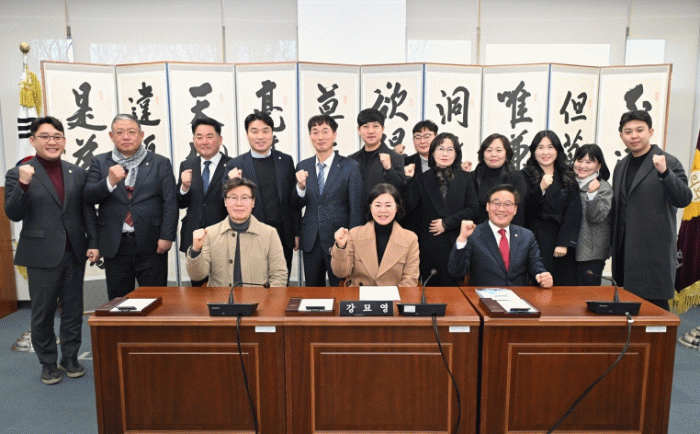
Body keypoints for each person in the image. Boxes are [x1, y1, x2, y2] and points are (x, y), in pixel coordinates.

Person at [4, 116, 99, 384]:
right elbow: (13, 213)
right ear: (33, 140)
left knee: (73, 310)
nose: (52, 141)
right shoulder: (19, 172)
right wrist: (23, 184)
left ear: (64, 141)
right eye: (45, 136)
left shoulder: (76, 172)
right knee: (43, 313)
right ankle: (47, 363)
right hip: (41, 254)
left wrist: (93, 242)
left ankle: (70, 358)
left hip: (74, 253)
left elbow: (86, 211)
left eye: (57, 136)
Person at [84, 114, 178, 300]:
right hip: (115, 244)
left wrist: (167, 236)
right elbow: (88, 196)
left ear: (141, 135)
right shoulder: (100, 162)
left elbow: (170, 202)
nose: (125, 137)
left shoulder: (160, 163)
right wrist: (109, 182)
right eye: (119, 132)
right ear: (111, 136)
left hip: (152, 243)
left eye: (131, 132)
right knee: (119, 301)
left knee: (154, 299)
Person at [611, 110, 692, 310]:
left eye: (639, 130)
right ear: (621, 136)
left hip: (653, 255)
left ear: (651, 132)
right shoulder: (621, 166)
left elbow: (684, 198)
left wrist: (665, 173)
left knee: (655, 315)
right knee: (625, 314)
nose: (634, 136)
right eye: (628, 131)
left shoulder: (668, 162)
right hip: (624, 255)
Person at [223, 112, 299, 277]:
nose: (260, 136)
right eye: (254, 131)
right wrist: (232, 183)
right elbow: (224, 202)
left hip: (282, 234)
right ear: (247, 134)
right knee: (251, 282)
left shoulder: (286, 161)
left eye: (265, 131)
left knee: (281, 280)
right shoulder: (235, 164)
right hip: (248, 233)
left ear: (272, 133)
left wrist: (296, 232)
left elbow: (292, 200)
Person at [293, 115, 364, 286]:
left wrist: (351, 241)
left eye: (325, 131)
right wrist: (300, 187)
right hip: (311, 239)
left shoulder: (350, 166)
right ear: (310, 136)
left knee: (340, 289)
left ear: (334, 135)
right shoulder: (303, 166)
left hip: (339, 240)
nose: (320, 137)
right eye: (315, 132)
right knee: (312, 291)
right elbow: (296, 204)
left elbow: (356, 208)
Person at [403, 132, 479, 286]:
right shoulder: (421, 178)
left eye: (450, 149)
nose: (445, 154)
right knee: (431, 290)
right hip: (430, 246)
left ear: (456, 154)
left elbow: (473, 209)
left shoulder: (465, 177)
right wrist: (408, 180)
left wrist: (447, 223)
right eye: (440, 149)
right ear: (432, 153)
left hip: (456, 241)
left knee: (455, 291)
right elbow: (409, 209)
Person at [186, 177, 288, 287]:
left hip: (258, 297)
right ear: (225, 201)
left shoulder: (269, 233)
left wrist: (267, 297)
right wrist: (196, 250)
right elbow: (197, 276)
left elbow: (279, 275)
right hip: (220, 297)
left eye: (245, 198)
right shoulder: (209, 233)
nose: (239, 203)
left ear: (253, 202)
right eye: (233, 198)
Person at [447, 184, 553, 288]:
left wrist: (542, 275)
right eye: (496, 203)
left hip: (519, 296)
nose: (501, 209)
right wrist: (462, 238)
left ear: (515, 209)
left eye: (508, 204)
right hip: (484, 296)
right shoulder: (472, 234)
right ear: (487, 206)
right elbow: (456, 272)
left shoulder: (526, 236)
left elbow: (536, 266)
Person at [522, 130, 581, 286]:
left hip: (561, 240)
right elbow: (524, 209)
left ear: (557, 150)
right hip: (535, 238)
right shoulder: (524, 175)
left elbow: (574, 212)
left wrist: (564, 242)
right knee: (537, 283)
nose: (545, 152)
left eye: (550, 147)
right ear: (533, 151)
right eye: (540, 147)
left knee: (562, 287)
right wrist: (540, 189)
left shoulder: (568, 175)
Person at [177, 117, 232, 286]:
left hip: (224, 236)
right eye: (199, 137)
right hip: (194, 237)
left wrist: (234, 184)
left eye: (209, 136)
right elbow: (181, 203)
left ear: (220, 139)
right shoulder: (187, 164)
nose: (204, 142)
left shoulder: (232, 164)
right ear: (194, 140)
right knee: (198, 286)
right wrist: (184, 187)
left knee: (225, 286)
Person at [331, 183, 419, 287]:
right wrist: (341, 247)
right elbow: (340, 273)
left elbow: (410, 279)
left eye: (388, 205)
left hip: (394, 295)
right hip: (359, 294)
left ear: (396, 208)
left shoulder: (410, 239)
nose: (383, 210)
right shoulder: (354, 234)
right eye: (377, 205)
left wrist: (392, 297)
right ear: (370, 207)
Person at [572, 144, 612, 286]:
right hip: (569, 252)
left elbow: (596, 217)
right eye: (579, 160)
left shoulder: (603, 187)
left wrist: (592, 194)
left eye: (589, 162)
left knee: (586, 295)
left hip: (591, 254)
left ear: (599, 166)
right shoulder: (570, 184)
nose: (582, 166)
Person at [349, 108, 404, 211]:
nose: (371, 131)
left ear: (383, 129)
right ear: (359, 130)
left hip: (383, 216)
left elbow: (401, 190)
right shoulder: (352, 160)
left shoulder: (395, 157)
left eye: (376, 126)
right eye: (365, 126)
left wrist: (389, 169)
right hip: (357, 218)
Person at [472, 133, 528, 226]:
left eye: (499, 150)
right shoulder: (473, 177)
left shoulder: (516, 177)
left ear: (506, 154)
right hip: (477, 230)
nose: (493, 154)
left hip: (507, 231)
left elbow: (519, 211)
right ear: (483, 154)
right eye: (489, 150)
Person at [401, 120, 438, 234]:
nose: (422, 141)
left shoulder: (447, 162)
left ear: (436, 138)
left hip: (439, 227)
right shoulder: (404, 163)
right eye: (418, 137)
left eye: (427, 136)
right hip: (412, 227)